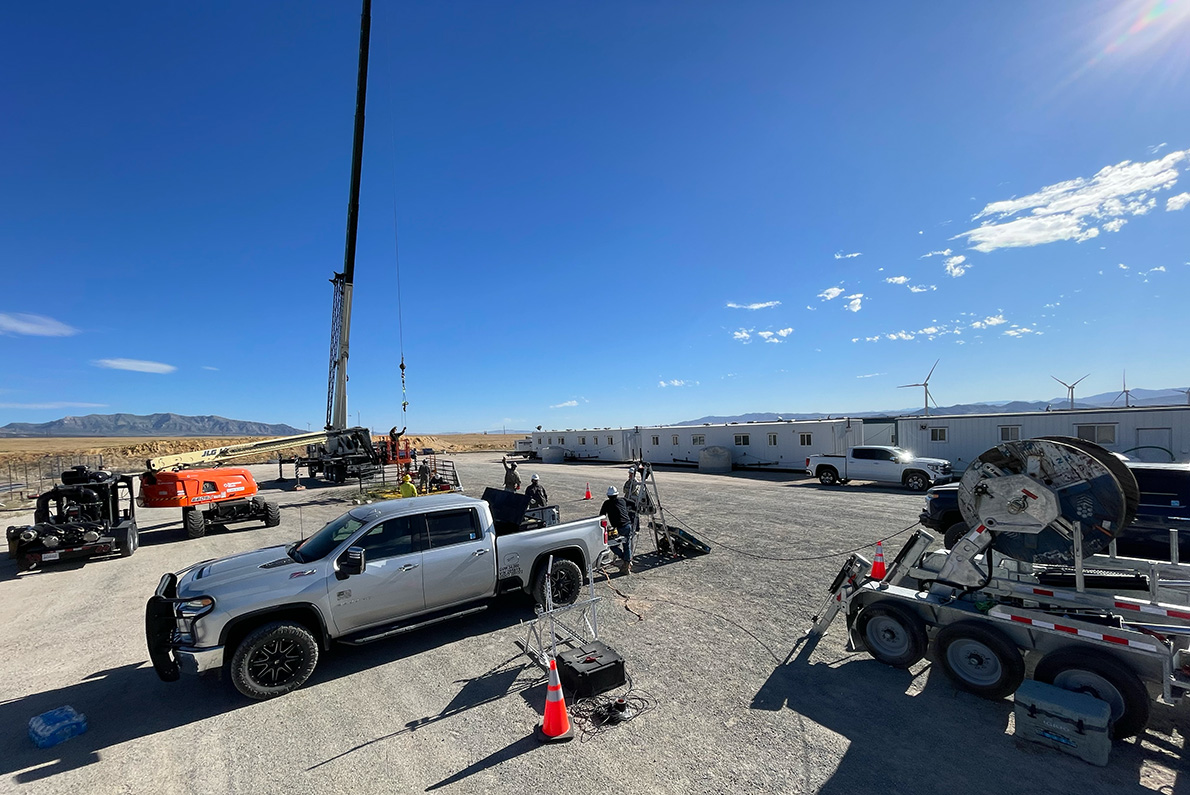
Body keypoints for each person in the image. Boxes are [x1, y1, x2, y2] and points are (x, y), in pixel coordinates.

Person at [599, 485, 634, 575]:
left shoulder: (606, 503)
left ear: (608, 496)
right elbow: (633, 503)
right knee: (626, 545)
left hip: (618, 528)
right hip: (627, 525)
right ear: (616, 494)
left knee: (612, 544)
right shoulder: (622, 500)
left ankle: (625, 560)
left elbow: (601, 516)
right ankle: (627, 562)